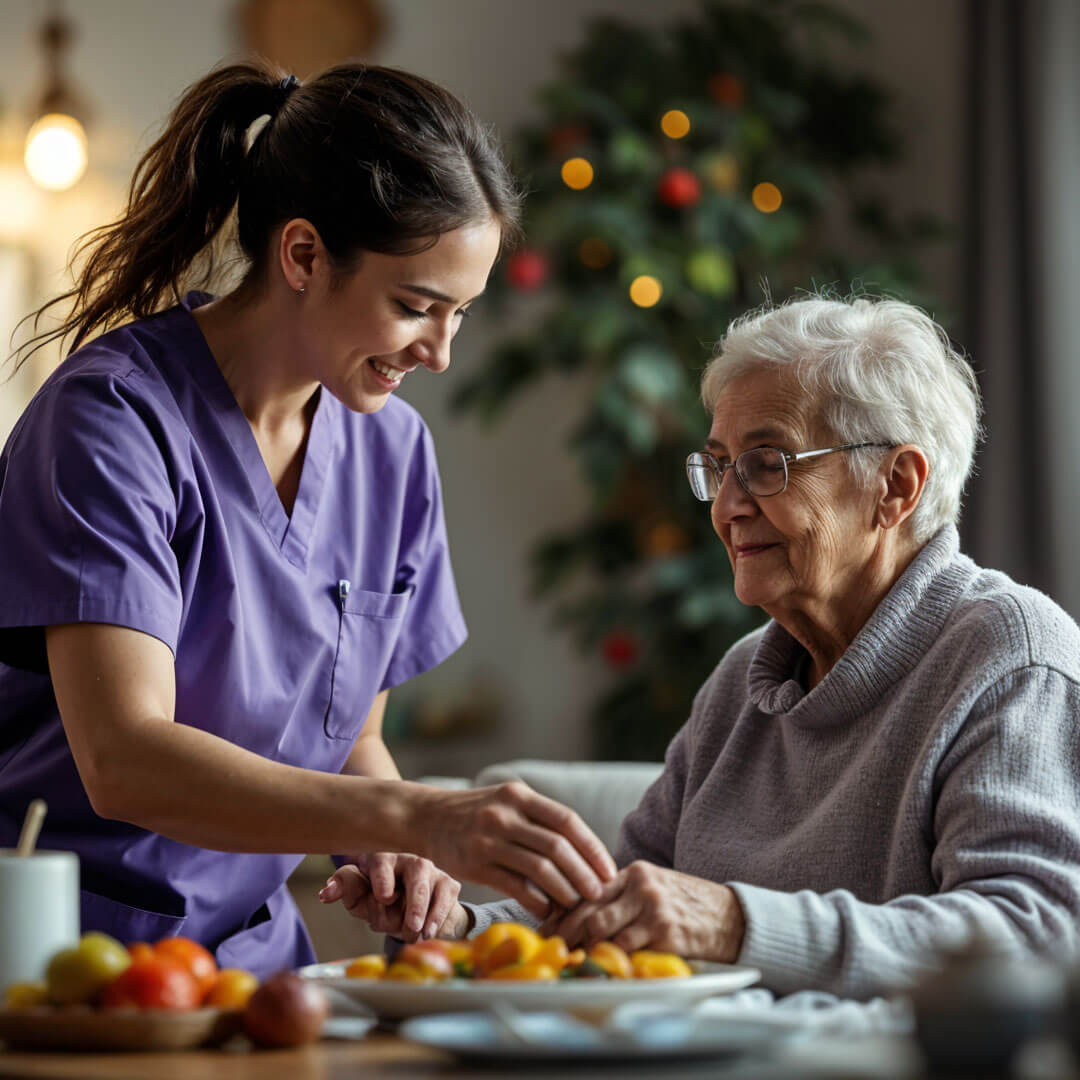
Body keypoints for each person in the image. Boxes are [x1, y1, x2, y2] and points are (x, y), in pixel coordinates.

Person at [0, 61, 615, 979]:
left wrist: (397, 848)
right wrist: (416, 814)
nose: (440, 353)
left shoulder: (393, 454)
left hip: (259, 969)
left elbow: (356, 739)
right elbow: (122, 757)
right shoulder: (113, 420)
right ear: (302, 256)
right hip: (72, 963)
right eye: (415, 306)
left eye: (462, 315)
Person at [327, 294, 1080, 999]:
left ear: (896, 485)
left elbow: (1033, 938)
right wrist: (455, 932)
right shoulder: (745, 680)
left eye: (766, 463)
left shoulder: (1008, 655)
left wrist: (732, 924)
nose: (725, 506)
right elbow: (607, 917)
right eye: (719, 466)